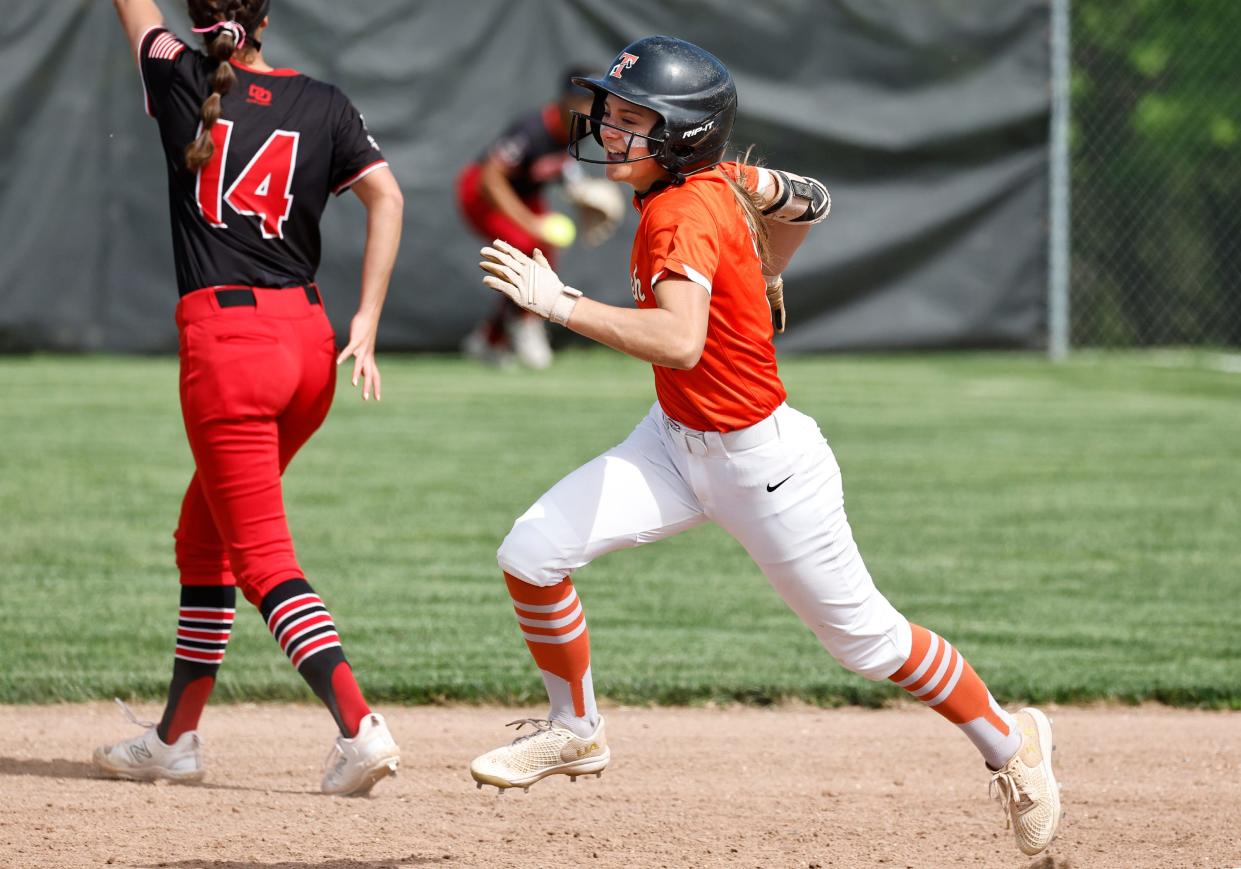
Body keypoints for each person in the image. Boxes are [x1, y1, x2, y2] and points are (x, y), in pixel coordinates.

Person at [468, 35, 1062, 857]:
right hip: (675, 444)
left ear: (679, 135)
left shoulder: (679, 209)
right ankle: (576, 729)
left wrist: (558, 302)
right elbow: (811, 197)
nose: (608, 129)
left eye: (632, 118)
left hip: (763, 466)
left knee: (868, 642)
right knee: (532, 550)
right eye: (611, 112)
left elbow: (678, 342)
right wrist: (771, 267)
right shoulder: (716, 181)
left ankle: (1012, 741)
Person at [96, 0, 404, 796]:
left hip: (229, 349)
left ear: (200, 18)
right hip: (308, 344)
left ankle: (359, 726)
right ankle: (174, 738)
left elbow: (136, 10)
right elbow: (388, 198)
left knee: (262, 561)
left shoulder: (176, 70)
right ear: (266, 13)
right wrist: (365, 320)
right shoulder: (324, 101)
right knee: (203, 538)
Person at [456, 68, 624, 369]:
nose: (594, 112)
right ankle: (523, 323)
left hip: (522, 195)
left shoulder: (578, 131)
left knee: (540, 254)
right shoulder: (533, 128)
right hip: (481, 192)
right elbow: (490, 178)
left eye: (598, 106)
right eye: (587, 103)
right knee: (525, 245)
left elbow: (561, 171)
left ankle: (490, 338)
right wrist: (528, 221)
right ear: (566, 101)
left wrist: (582, 197)